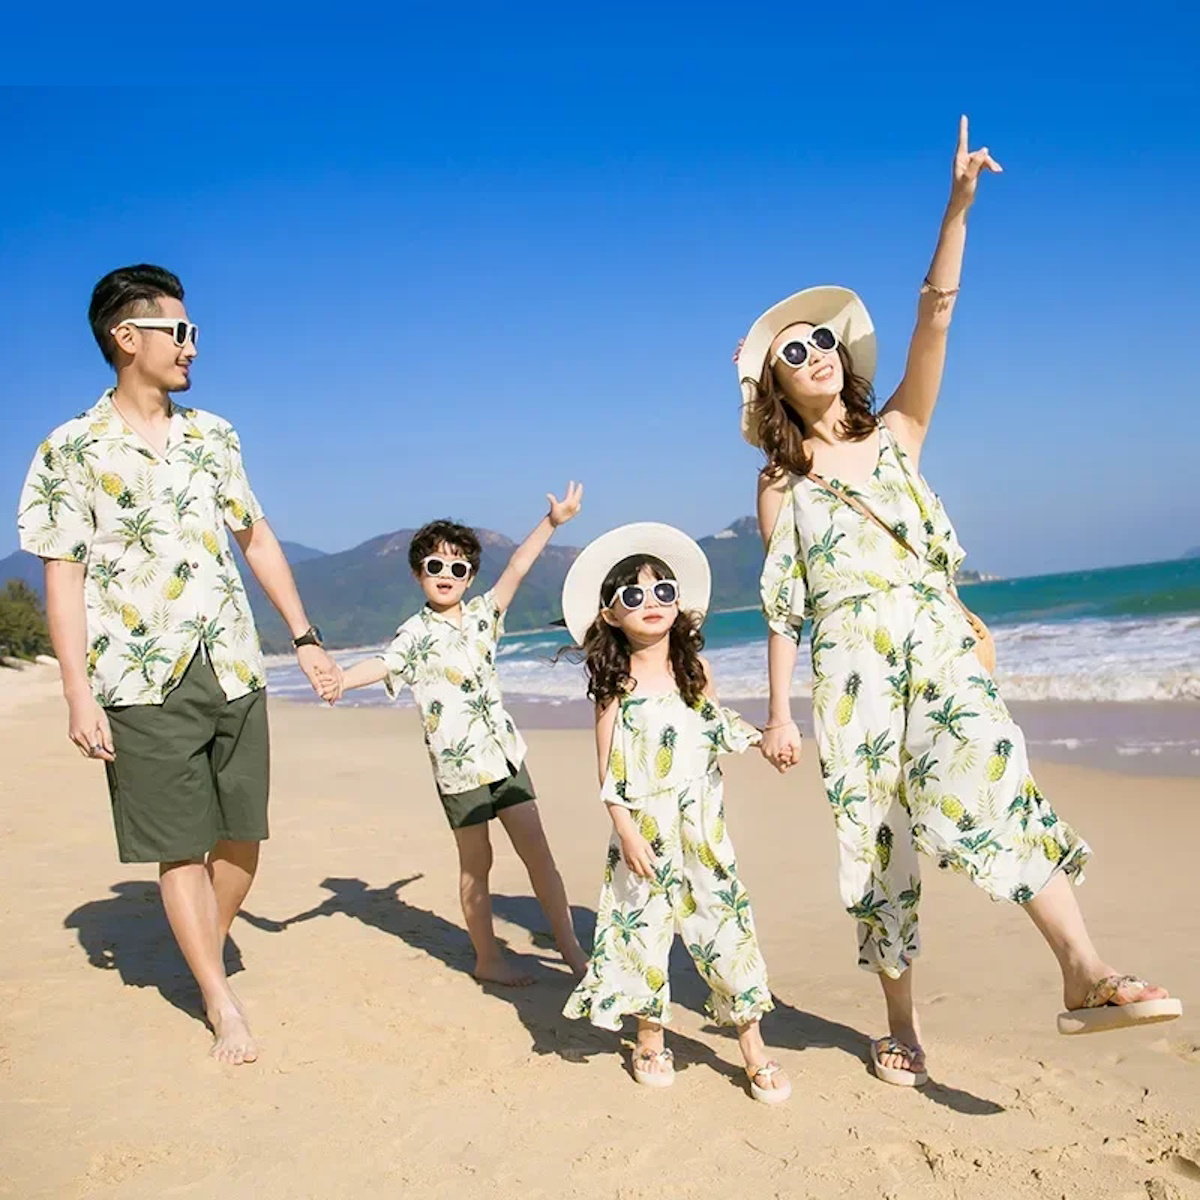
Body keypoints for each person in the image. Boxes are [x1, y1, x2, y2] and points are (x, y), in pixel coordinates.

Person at [737, 119, 1181, 1087]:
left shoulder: (901, 428)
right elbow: (784, 605)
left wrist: (958, 206)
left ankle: (1084, 970)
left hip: (936, 642)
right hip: (850, 670)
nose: (810, 352)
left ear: (841, 354)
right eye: (790, 349)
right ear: (772, 380)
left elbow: (936, 312)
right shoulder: (781, 485)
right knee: (878, 841)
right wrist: (776, 714)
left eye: (820, 340)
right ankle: (899, 1021)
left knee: (992, 778)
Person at [16, 264, 342, 1065]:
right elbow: (64, 574)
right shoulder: (70, 450)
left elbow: (254, 538)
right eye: (181, 332)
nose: (194, 346)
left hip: (230, 661)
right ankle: (217, 996)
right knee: (179, 847)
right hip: (135, 674)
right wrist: (76, 693)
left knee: (241, 841)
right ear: (128, 339)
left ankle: (200, 939)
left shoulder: (216, 435)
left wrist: (304, 635)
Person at [560, 523, 790, 1103]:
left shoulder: (694, 672)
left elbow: (717, 724)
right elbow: (608, 771)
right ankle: (649, 1035)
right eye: (633, 595)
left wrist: (766, 740)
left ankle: (753, 1048)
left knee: (725, 925)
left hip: (703, 825)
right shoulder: (615, 683)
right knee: (642, 928)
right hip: (644, 828)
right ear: (611, 615)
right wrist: (625, 830)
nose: (653, 603)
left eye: (663, 590)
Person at [329, 492, 589, 985]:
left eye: (460, 567)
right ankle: (487, 958)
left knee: (539, 855)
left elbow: (517, 567)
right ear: (418, 574)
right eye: (434, 565)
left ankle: (573, 951)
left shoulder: (485, 615)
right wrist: (342, 679)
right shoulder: (413, 634)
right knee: (478, 864)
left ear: (470, 576)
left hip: (505, 757)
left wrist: (551, 523)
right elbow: (385, 664)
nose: (446, 575)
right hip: (458, 769)